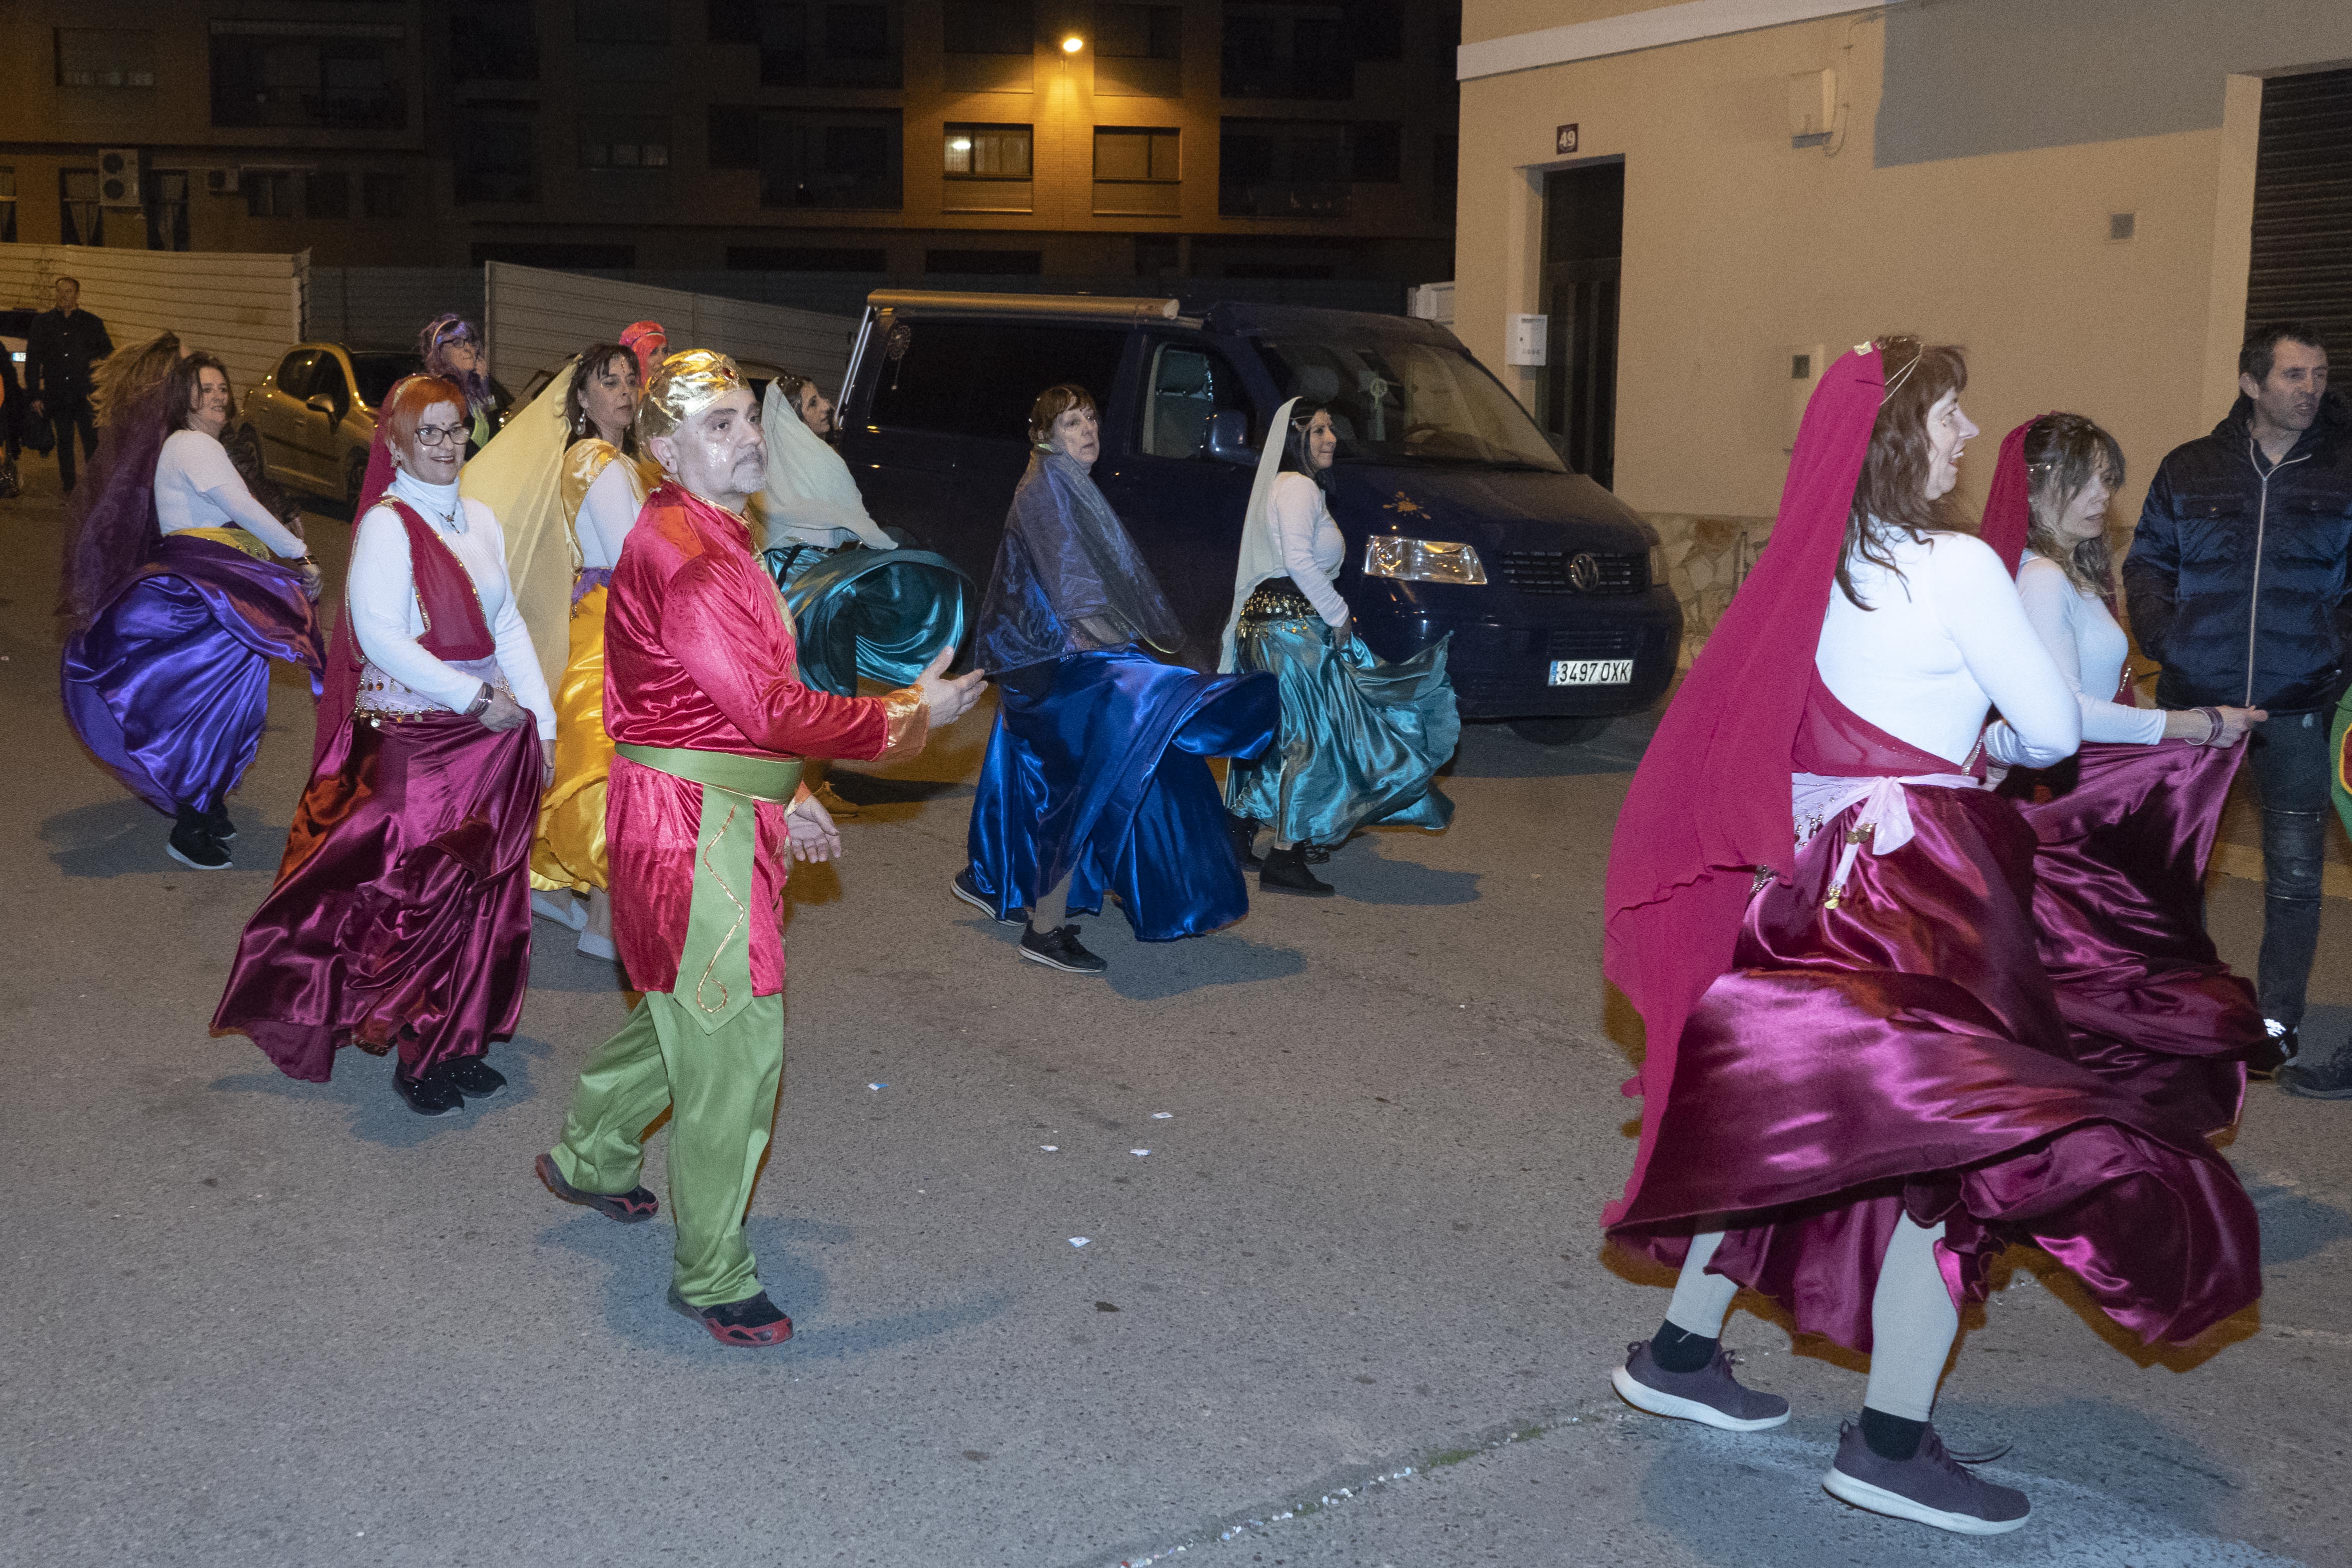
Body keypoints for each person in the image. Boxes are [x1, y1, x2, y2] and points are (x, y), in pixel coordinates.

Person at [1601, 340, 2260, 1535]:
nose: (1964, 433)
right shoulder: (1955, 564)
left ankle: (1680, 1352)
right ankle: (1889, 1442)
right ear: (1901, 436)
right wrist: (1993, 736)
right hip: (1921, 887)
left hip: (1815, 878)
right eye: (1948, 413)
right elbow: (2048, 730)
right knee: (1953, 1152)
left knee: (1797, 1118)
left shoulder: (1813, 563)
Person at [535, 350, 984, 1346]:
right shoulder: (694, 557)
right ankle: (711, 1273)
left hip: (707, 809)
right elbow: (770, 706)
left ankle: (591, 1154)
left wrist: (795, 791)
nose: (748, 439)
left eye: (747, 417)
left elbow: (723, 706)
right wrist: (909, 712)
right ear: (663, 451)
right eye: (720, 425)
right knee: (735, 1044)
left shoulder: (706, 531)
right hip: (693, 828)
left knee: (686, 1013)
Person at [213, 374, 556, 1117]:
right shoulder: (387, 526)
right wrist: (476, 699)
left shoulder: (481, 519)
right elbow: (379, 638)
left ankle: (457, 1039)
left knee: (477, 897)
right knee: (418, 902)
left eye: (456, 428)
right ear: (397, 445)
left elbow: (506, 627)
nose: (446, 444)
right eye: (428, 431)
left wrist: (544, 721)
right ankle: (417, 1053)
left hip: (488, 736)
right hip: (413, 742)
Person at [1977, 414, 2265, 1132]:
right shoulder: (2042, 578)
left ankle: (2096, 1129)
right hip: (2056, 816)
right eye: (2085, 480)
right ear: (2036, 487)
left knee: (2102, 981)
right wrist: (2190, 725)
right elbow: (2065, 715)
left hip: (2078, 802)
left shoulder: (2065, 574)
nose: (2101, 495)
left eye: (2107, 480)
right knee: (2099, 982)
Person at [953, 385, 1279, 975]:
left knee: (1113, 758)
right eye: (1071, 423)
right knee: (1106, 767)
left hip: (1048, 663)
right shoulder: (1048, 490)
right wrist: (1148, 659)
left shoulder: (1065, 483)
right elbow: (1076, 601)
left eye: (1091, 419)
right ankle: (1045, 930)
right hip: (1054, 669)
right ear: (1044, 436)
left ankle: (995, 878)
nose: (1087, 431)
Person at [2122, 322, 2352, 1077]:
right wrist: (2170, 640)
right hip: (2199, 708)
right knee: (2177, 868)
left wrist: (2332, 651)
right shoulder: (2189, 467)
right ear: (2251, 383)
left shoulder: (2343, 468)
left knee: (2295, 875)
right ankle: (2180, 1008)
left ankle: (2276, 1019)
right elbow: (2147, 561)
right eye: (2293, 375)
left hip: (2299, 705)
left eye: (2319, 374)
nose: (2310, 389)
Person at [61, 352, 325, 868]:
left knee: (219, 705)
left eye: (223, 387)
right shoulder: (193, 444)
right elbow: (242, 508)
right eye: (207, 390)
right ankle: (191, 825)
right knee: (209, 710)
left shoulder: (196, 446)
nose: (219, 396)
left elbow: (241, 507)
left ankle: (207, 805)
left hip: (210, 588)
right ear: (185, 399)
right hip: (204, 595)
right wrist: (300, 555)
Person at [1221, 398, 1458, 895]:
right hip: (1291, 629)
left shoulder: (1289, 486)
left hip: (1274, 626)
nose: (1330, 439)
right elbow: (1299, 561)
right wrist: (1337, 614)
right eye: (1317, 431)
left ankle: (1237, 830)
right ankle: (1285, 856)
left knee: (1280, 735)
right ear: (1295, 438)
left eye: (1331, 429)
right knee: (1314, 739)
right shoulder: (1298, 487)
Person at [756, 372, 974, 819]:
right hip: (813, 586)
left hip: (799, 578)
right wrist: (885, 545)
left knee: (807, 689)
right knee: (817, 688)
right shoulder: (799, 460)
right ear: (794, 416)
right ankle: (802, 789)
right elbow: (840, 522)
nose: (826, 407)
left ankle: (801, 787)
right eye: (813, 403)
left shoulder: (790, 460)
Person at [527, 343, 649, 959]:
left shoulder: (607, 459)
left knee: (601, 760)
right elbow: (634, 557)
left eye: (631, 380)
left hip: (602, 616)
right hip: (613, 623)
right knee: (610, 764)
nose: (624, 391)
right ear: (581, 397)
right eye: (609, 382)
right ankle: (604, 922)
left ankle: (550, 890)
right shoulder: (599, 461)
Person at [27, 276, 114, 493]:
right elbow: (33, 361)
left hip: (85, 393)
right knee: (64, 441)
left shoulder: (92, 323)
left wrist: (99, 377)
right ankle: (69, 487)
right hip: (58, 393)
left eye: (68, 292)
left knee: (91, 441)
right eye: (59, 291)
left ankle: (94, 486)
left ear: (77, 295)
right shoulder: (42, 324)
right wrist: (35, 395)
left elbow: (109, 356)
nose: (63, 296)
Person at [419, 314, 507, 458]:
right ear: (440, 352)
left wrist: (486, 387)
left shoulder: (478, 387)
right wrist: (487, 460)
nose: (468, 348)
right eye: (458, 342)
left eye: (470, 341)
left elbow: (501, 419)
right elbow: (459, 441)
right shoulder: (441, 392)